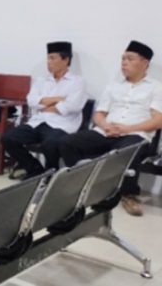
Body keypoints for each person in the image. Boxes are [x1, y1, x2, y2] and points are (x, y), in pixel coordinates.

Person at [59, 41, 162, 217]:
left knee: (124, 151)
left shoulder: (156, 87)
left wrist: (127, 129)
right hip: (106, 131)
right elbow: (99, 114)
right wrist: (105, 125)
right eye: (123, 59)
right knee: (67, 142)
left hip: (136, 134)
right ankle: (81, 183)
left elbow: (158, 120)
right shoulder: (114, 85)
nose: (124, 62)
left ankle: (128, 194)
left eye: (130, 59)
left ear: (145, 63)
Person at [2, 42, 87, 179]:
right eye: (48, 58)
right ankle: (34, 169)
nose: (48, 62)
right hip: (38, 121)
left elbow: (72, 106)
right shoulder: (42, 79)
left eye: (52, 58)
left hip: (62, 124)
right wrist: (57, 99)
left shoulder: (77, 82)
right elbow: (31, 100)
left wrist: (44, 104)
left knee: (51, 144)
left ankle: (50, 175)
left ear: (66, 60)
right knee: (8, 138)